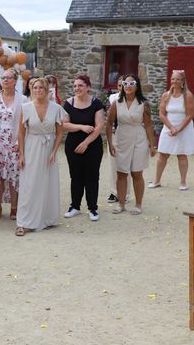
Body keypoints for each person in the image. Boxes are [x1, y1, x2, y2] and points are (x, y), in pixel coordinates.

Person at [15, 77, 66, 236]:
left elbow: (59, 133)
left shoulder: (56, 108)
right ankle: (23, 222)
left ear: (46, 90)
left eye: (41, 88)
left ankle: (47, 218)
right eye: (35, 88)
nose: (38, 90)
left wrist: (54, 152)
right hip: (31, 148)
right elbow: (21, 132)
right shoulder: (26, 107)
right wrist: (21, 155)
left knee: (48, 183)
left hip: (48, 148)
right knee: (28, 185)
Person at [106, 73, 157, 215]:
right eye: (125, 84)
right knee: (121, 172)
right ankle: (121, 204)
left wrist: (152, 145)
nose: (128, 86)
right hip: (122, 137)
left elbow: (148, 125)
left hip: (139, 138)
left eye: (131, 83)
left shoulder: (143, 104)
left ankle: (138, 204)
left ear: (137, 86)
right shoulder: (117, 102)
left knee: (136, 172)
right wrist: (110, 143)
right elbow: (109, 123)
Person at [0, 69, 28, 221]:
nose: (5, 80)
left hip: (14, 142)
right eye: (3, 78)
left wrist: (18, 142)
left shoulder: (23, 99)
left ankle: (14, 207)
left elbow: (25, 123)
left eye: (8, 78)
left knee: (13, 176)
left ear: (15, 80)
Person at [62, 75, 104, 221]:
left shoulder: (96, 103)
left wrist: (86, 142)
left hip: (92, 145)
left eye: (80, 85)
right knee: (76, 176)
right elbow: (64, 124)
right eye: (75, 86)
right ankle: (75, 206)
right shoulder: (68, 103)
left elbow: (99, 126)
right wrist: (81, 126)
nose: (77, 88)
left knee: (92, 177)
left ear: (88, 87)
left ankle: (93, 208)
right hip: (72, 145)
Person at [149, 70, 194, 190]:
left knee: (181, 155)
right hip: (168, 127)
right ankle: (157, 181)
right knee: (163, 155)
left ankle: (183, 182)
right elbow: (161, 113)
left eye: (177, 79)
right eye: (173, 79)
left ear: (182, 81)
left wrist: (179, 129)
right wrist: (171, 127)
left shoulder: (188, 95)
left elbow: (190, 114)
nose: (174, 81)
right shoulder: (166, 95)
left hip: (183, 128)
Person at [107, 76, 131, 204]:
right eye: (119, 85)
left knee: (125, 164)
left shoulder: (134, 100)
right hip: (115, 133)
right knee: (112, 163)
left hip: (128, 134)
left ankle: (126, 192)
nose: (121, 87)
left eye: (124, 84)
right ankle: (114, 191)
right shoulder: (112, 98)